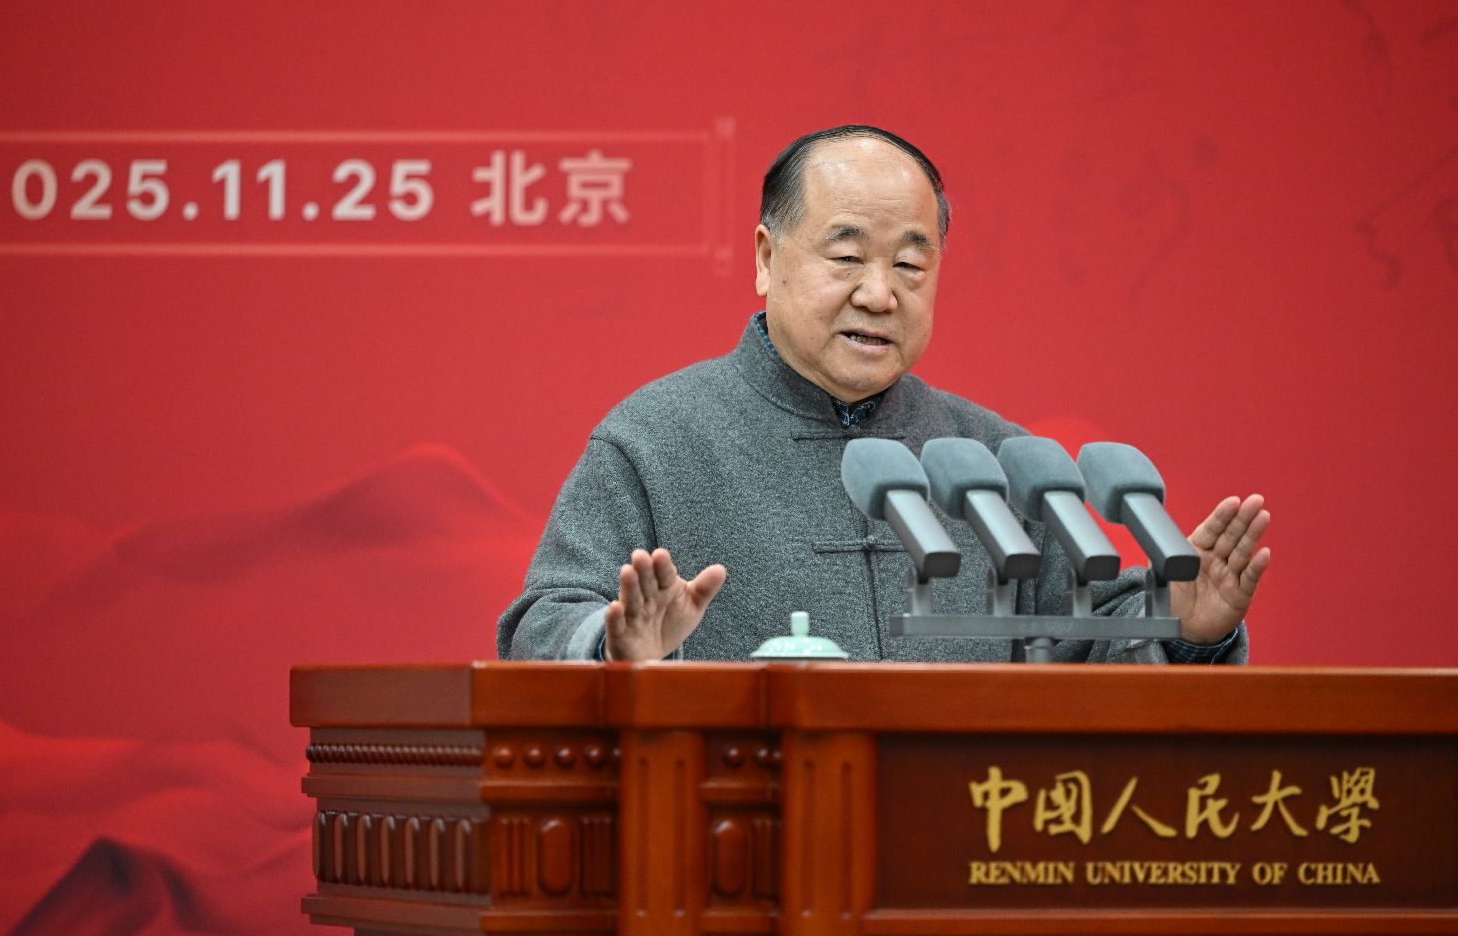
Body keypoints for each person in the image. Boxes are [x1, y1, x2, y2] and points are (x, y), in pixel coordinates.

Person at [497, 126, 1269, 664]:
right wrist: (614, 646)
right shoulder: (657, 439)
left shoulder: (994, 458)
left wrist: (1182, 625)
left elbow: (1082, 645)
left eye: (909, 265)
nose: (879, 293)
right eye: (847, 256)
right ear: (766, 258)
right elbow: (544, 622)